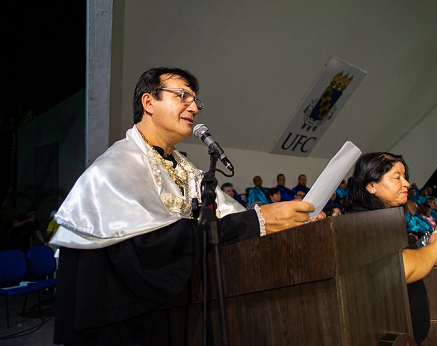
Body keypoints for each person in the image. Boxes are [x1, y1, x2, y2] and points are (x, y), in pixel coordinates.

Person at [50, 67, 317, 345]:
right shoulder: (115, 168)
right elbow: (152, 245)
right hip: (125, 322)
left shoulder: (186, 169)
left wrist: (293, 218)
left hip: (179, 314)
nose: (194, 107)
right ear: (148, 102)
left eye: (195, 101)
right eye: (182, 96)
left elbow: (232, 216)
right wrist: (258, 221)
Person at [344, 152, 437, 345]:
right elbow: (402, 268)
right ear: (371, 186)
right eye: (397, 177)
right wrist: (436, 245)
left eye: (404, 177)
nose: (406, 183)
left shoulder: (386, 218)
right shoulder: (364, 224)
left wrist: (433, 257)